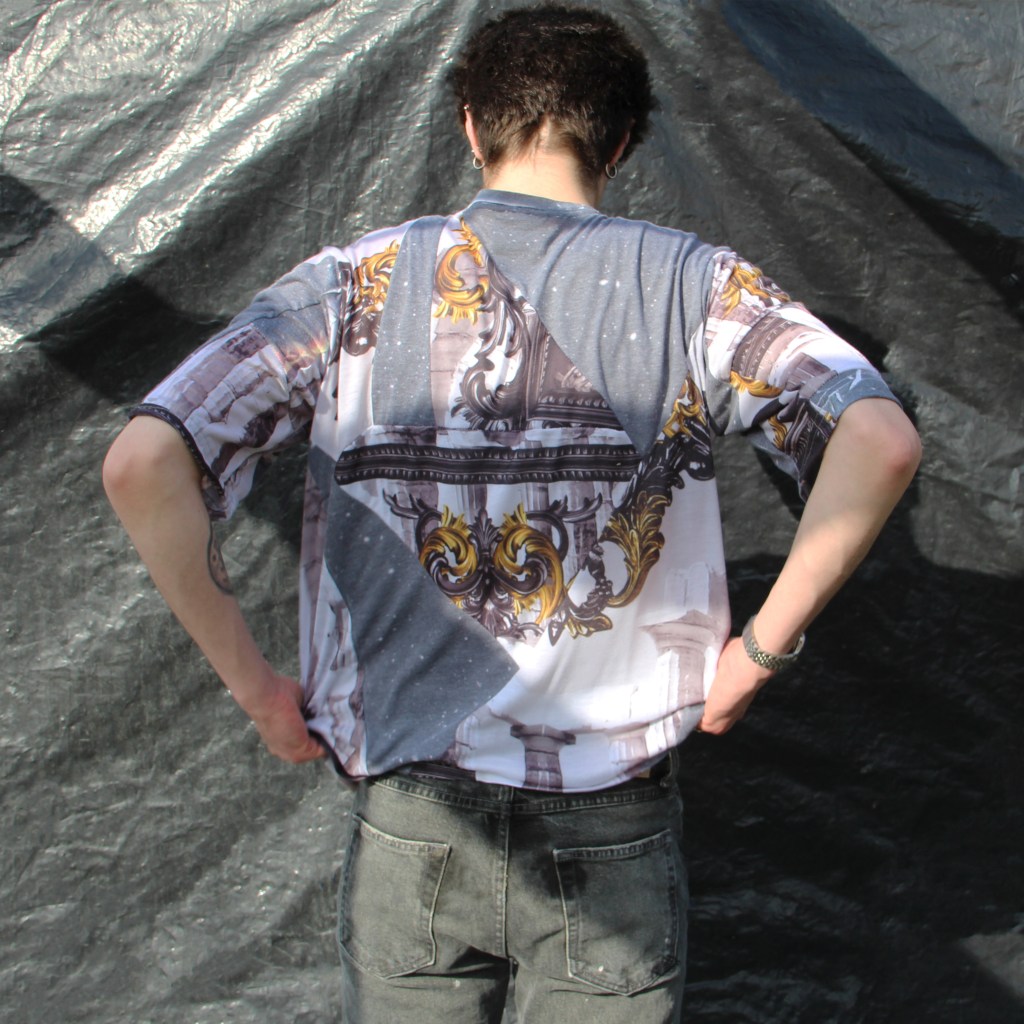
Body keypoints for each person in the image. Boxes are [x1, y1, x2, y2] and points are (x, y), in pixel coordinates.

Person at [103, 5, 921, 1021]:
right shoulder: (700, 287)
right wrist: (759, 651)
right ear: (621, 143)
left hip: (412, 809)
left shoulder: (348, 286)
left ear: (469, 126)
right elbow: (880, 441)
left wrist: (258, 689)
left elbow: (143, 462)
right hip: (611, 814)